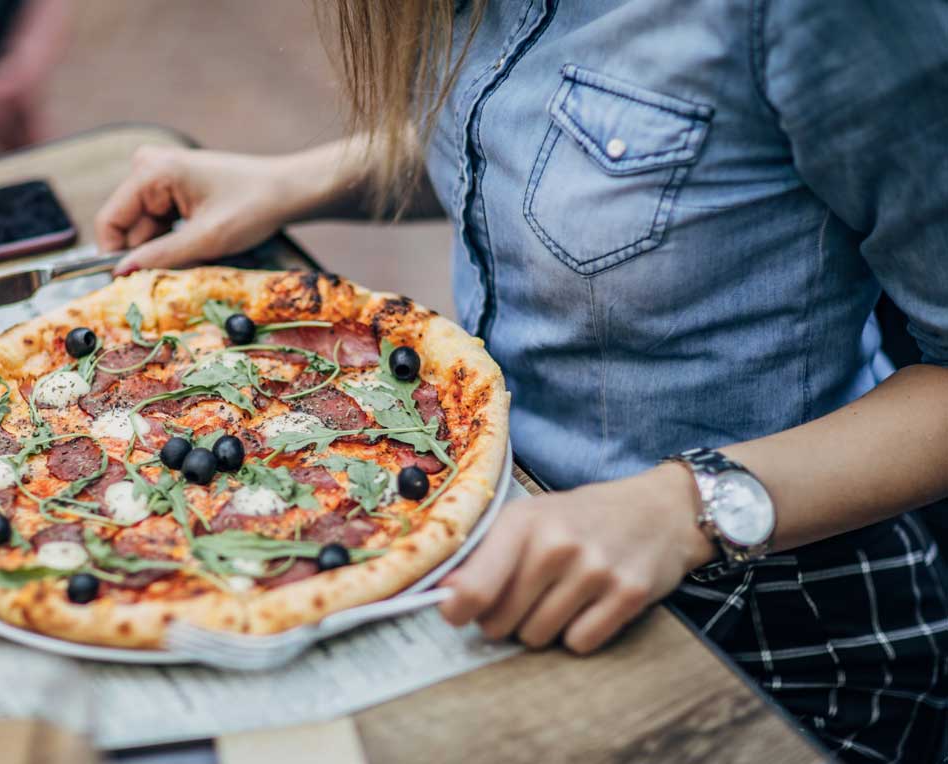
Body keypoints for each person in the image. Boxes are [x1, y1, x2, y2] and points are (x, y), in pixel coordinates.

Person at [94, 2, 948, 760]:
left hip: (775, 618)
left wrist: (681, 507)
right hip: (499, 530)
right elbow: (533, 139)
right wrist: (297, 179)